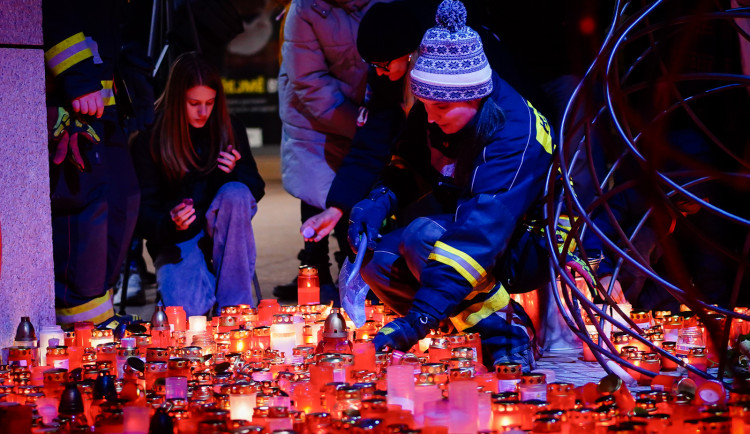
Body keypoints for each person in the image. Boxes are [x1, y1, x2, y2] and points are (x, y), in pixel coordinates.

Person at [351, 0, 558, 370]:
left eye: (440, 109)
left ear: (476, 96)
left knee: (423, 238)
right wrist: (378, 200)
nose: (429, 117)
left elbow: (477, 239)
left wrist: (418, 321)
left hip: (534, 240)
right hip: (478, 222)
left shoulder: (514, 134)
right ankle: (465, 337)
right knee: (377, 263)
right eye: (425, 105)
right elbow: (410, 162)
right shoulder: (440, 100)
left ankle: (510, 335)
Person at [132, 52, 265, 316]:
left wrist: (235, 171)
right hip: (177, 238)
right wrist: (170, 222)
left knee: (237, 193)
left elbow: (256, 188)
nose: (203, 112)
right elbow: (140, 212)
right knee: (189, 313)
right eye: (194, 103)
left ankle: (233, 306)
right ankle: (194, 281)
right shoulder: (151, 137)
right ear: (176, 99)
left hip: (221, 226)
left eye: (210, 102)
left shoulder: (229, 126)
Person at [275, 0, 385, 303]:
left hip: (367, 105)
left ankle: (355, 270)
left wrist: (373, 120)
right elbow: (309, 82)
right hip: (313, 113)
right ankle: (314, 270)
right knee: (317, 188)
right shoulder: (305, 9)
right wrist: (359, 126)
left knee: (360, 184)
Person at [43, 0, 143, 327]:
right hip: (74, 99)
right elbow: (52, 9)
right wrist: (77, 77)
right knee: (84, 211)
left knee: (124, 201)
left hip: (108, 104)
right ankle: (81, 325)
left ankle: (101, 315)